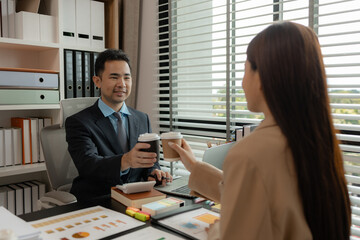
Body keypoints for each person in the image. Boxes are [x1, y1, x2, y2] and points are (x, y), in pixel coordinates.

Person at [169, 22, 351, 240]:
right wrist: (194, 166)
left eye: (245, 71)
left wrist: (218, 230)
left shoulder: (251, 153)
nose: (243, 83)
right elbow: (264, 196)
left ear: (263, 77)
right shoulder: (317, 140)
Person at [66, 49, 171, 201]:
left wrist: (153, 172)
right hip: (98, 199)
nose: (122, 84)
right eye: (114, 77)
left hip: (136, 197)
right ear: (97, 81)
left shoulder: (142, 118)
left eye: (126, 78)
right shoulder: (78, 122)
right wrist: (126, 160)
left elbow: (149, 161)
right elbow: (88, 165)